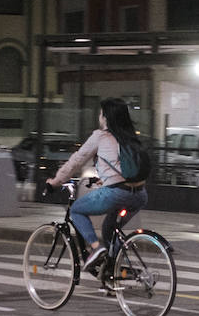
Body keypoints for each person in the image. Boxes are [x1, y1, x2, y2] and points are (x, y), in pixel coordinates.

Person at [45, 98, 149, 274]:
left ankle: (95, 248)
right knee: (109, 229)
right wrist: (105, 179)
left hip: (116, 194)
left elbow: (76, 161)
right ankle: (113, 274)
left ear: (106, 117)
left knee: (76, 210)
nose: (99, 117)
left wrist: (56, 181)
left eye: (101, 114)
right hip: (139, 195)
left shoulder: (100, 136)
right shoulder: (130, 137)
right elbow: (125, 167)